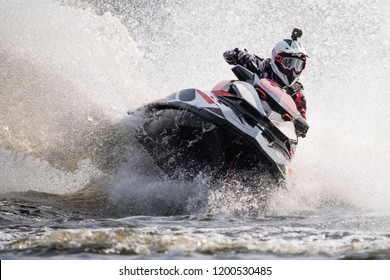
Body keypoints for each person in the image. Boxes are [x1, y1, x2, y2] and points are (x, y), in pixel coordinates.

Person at [223, 28, 308, 120]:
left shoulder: (296, 91)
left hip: (269, 126)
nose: (293, 69)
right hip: (242, 109)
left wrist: (296, 123)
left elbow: (302, 123)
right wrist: (239, 54)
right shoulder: (261, 65)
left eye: (299, 65)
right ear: (277, 59)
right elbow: (227, 54)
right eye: (288, 63)